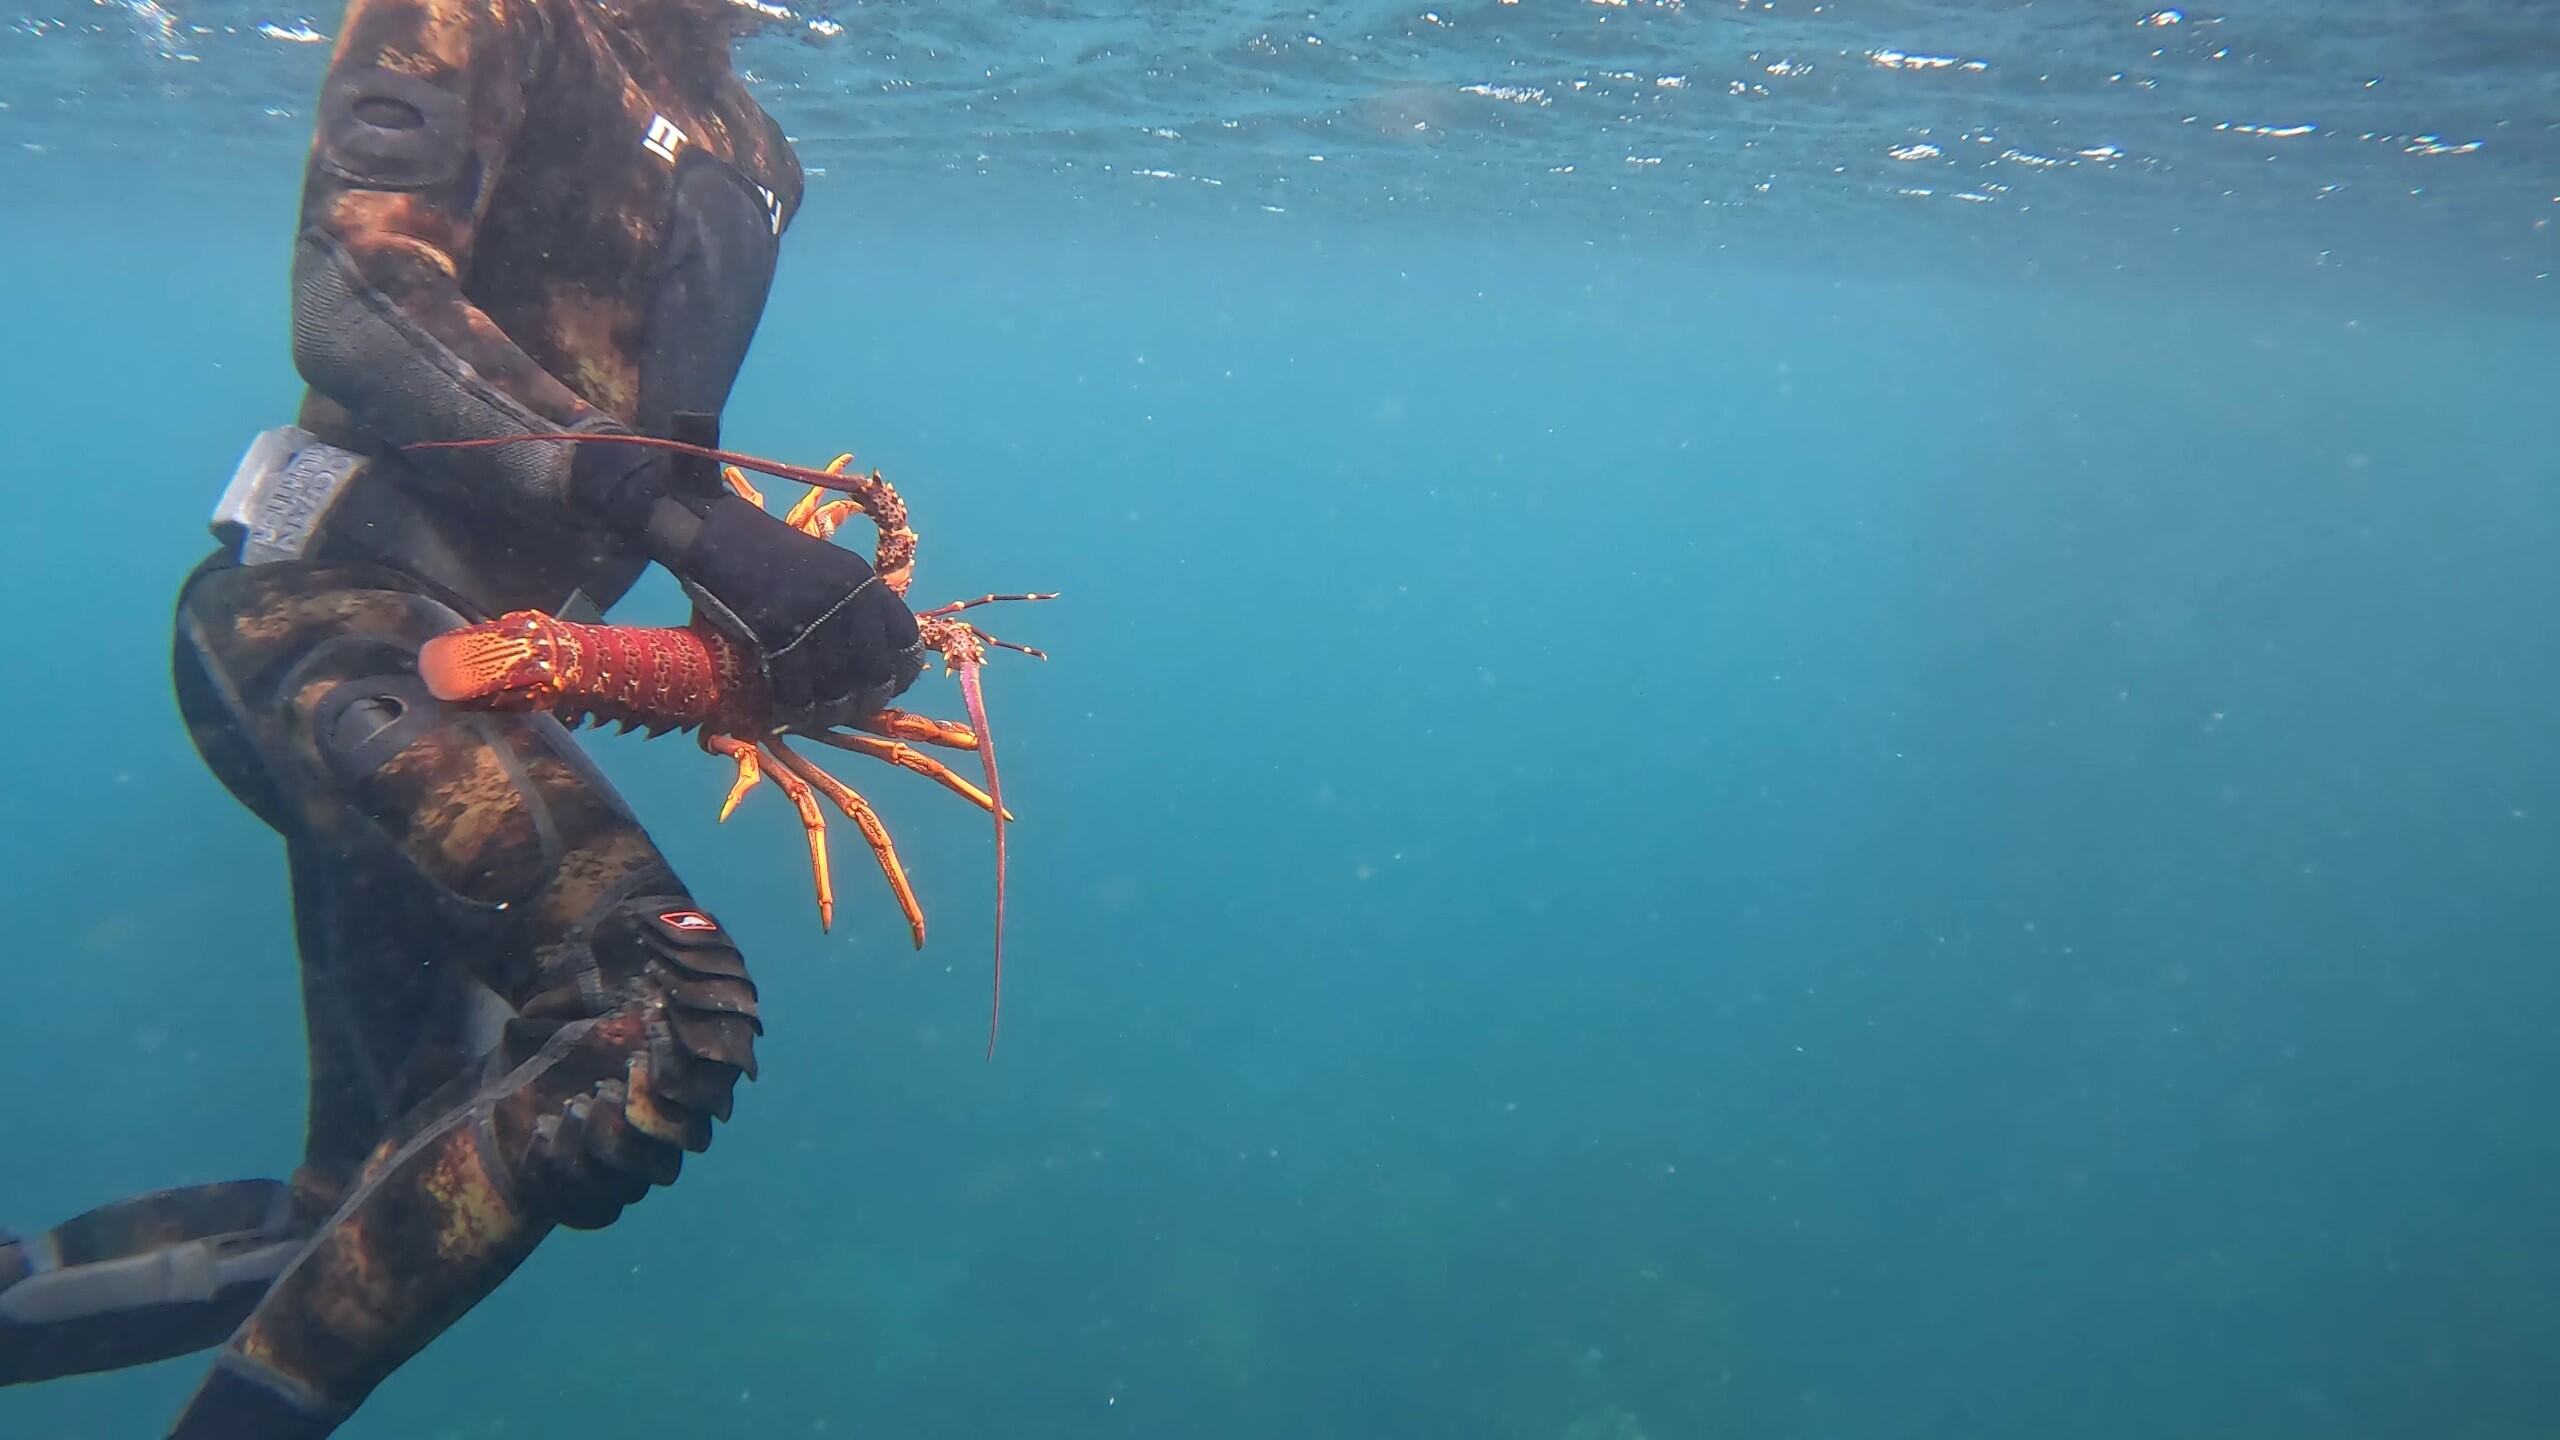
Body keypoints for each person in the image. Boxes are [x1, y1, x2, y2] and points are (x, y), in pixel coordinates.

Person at [0, 0, 921, 1432]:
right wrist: (682, 520)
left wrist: (778, 593)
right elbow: (354, 299)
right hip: (321, 620)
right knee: (650, 1016)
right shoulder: (481, 13)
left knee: (363, 1197)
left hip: (490, 659)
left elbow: (654, 442)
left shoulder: (756, 151)